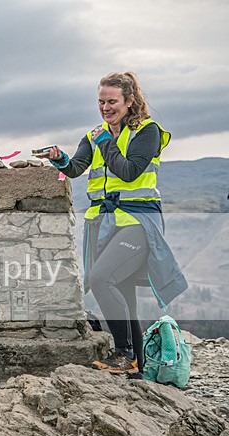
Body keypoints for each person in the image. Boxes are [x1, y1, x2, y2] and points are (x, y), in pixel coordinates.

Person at [40, 72, 187, 374]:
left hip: (137, 221)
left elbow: (129, 171)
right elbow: (76, 168)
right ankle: (136, 366)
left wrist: (106, 141)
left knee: (100, 278)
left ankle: (124, 353)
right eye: (101, 102)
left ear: (129, 101)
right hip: (104, 223)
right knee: (122, 290)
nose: (105, 108)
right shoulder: (93, 136)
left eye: (112, 102)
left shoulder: (147, 132)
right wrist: (59, 158)